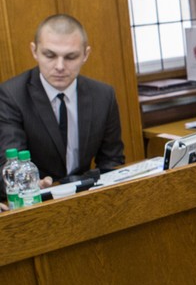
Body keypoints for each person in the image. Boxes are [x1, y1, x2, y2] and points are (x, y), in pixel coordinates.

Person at [0, 14, 125, 187]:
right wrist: (32, 184)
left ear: (85, 55)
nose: (59, 66)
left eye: (70, 57)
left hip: (87, 195)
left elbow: (112, 160)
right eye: (50, 55)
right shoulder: (11, 95)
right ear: (34, 51)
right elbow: (11, 164)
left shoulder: (103, 95)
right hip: (36, 199)